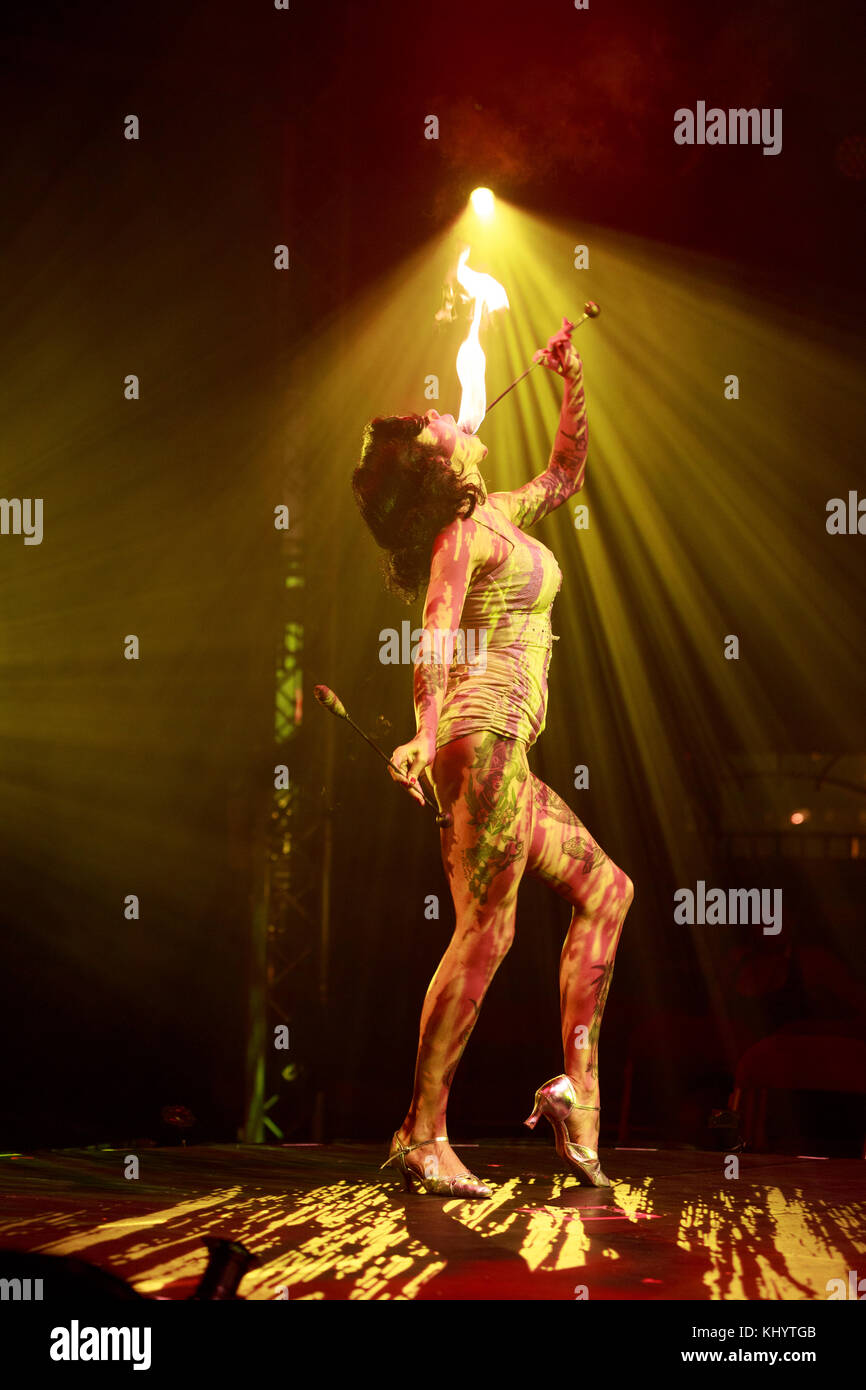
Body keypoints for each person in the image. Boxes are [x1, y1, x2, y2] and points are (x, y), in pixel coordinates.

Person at [351, 320, 634, 1198]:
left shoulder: (500, 516)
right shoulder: (457, 541)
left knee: (607, 892)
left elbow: (566, 474)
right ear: (440, 468)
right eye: (439, 423)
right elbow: (433, 642)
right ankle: (421, 1132)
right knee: (488, 931)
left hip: (500, 749)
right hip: (478, 743)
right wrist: (424, 736)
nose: (451, 414)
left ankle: (574, 1095)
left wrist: (571, 379)